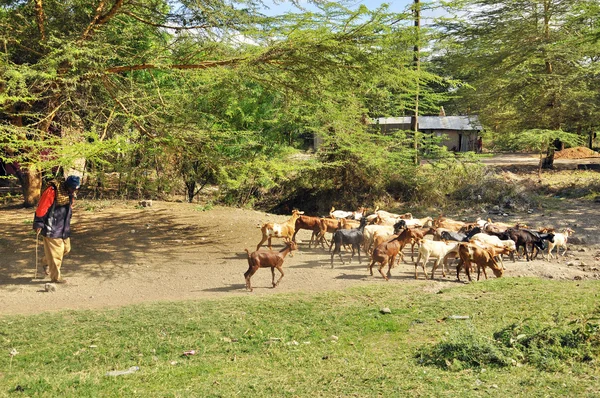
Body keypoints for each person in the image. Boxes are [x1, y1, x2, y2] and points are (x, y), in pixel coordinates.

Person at [33, 175, 81, 283]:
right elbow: (42, 207)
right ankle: (56, 278)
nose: (74, 191)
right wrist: (38, 223)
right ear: (67, 186)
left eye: (76, 189)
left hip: (64, 228)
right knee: (56, 255)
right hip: (52, 228)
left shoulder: (70, 194)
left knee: (66, 249)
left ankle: (46, 261)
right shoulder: (52, 190)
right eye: (73, 188)